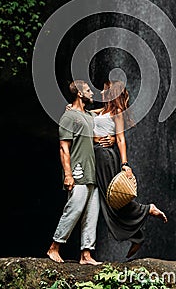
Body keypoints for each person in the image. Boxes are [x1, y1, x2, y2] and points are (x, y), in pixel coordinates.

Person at [68, 80, 168, 259]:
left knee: (111, 200)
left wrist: (125, 164)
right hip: (95, 158)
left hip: (106, 158)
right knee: (106, 203)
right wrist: (73, 109)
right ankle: (136, 236)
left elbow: (121, 139)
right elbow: (85, 115)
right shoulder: (101, 111)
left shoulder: (118, 114)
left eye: (106, 90)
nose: (103, 92)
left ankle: (147, 209)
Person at [47, 80, 102, 265]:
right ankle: (54, 247)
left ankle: (86, 255)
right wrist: (68, 174)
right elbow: (64, 148)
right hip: (77, 172)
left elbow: (96, 115)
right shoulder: (69, 117)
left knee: (92, 213)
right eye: (88, 90)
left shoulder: (86, 115)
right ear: (79, 94)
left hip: (92, 173)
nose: (92, 93)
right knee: (74, 208)